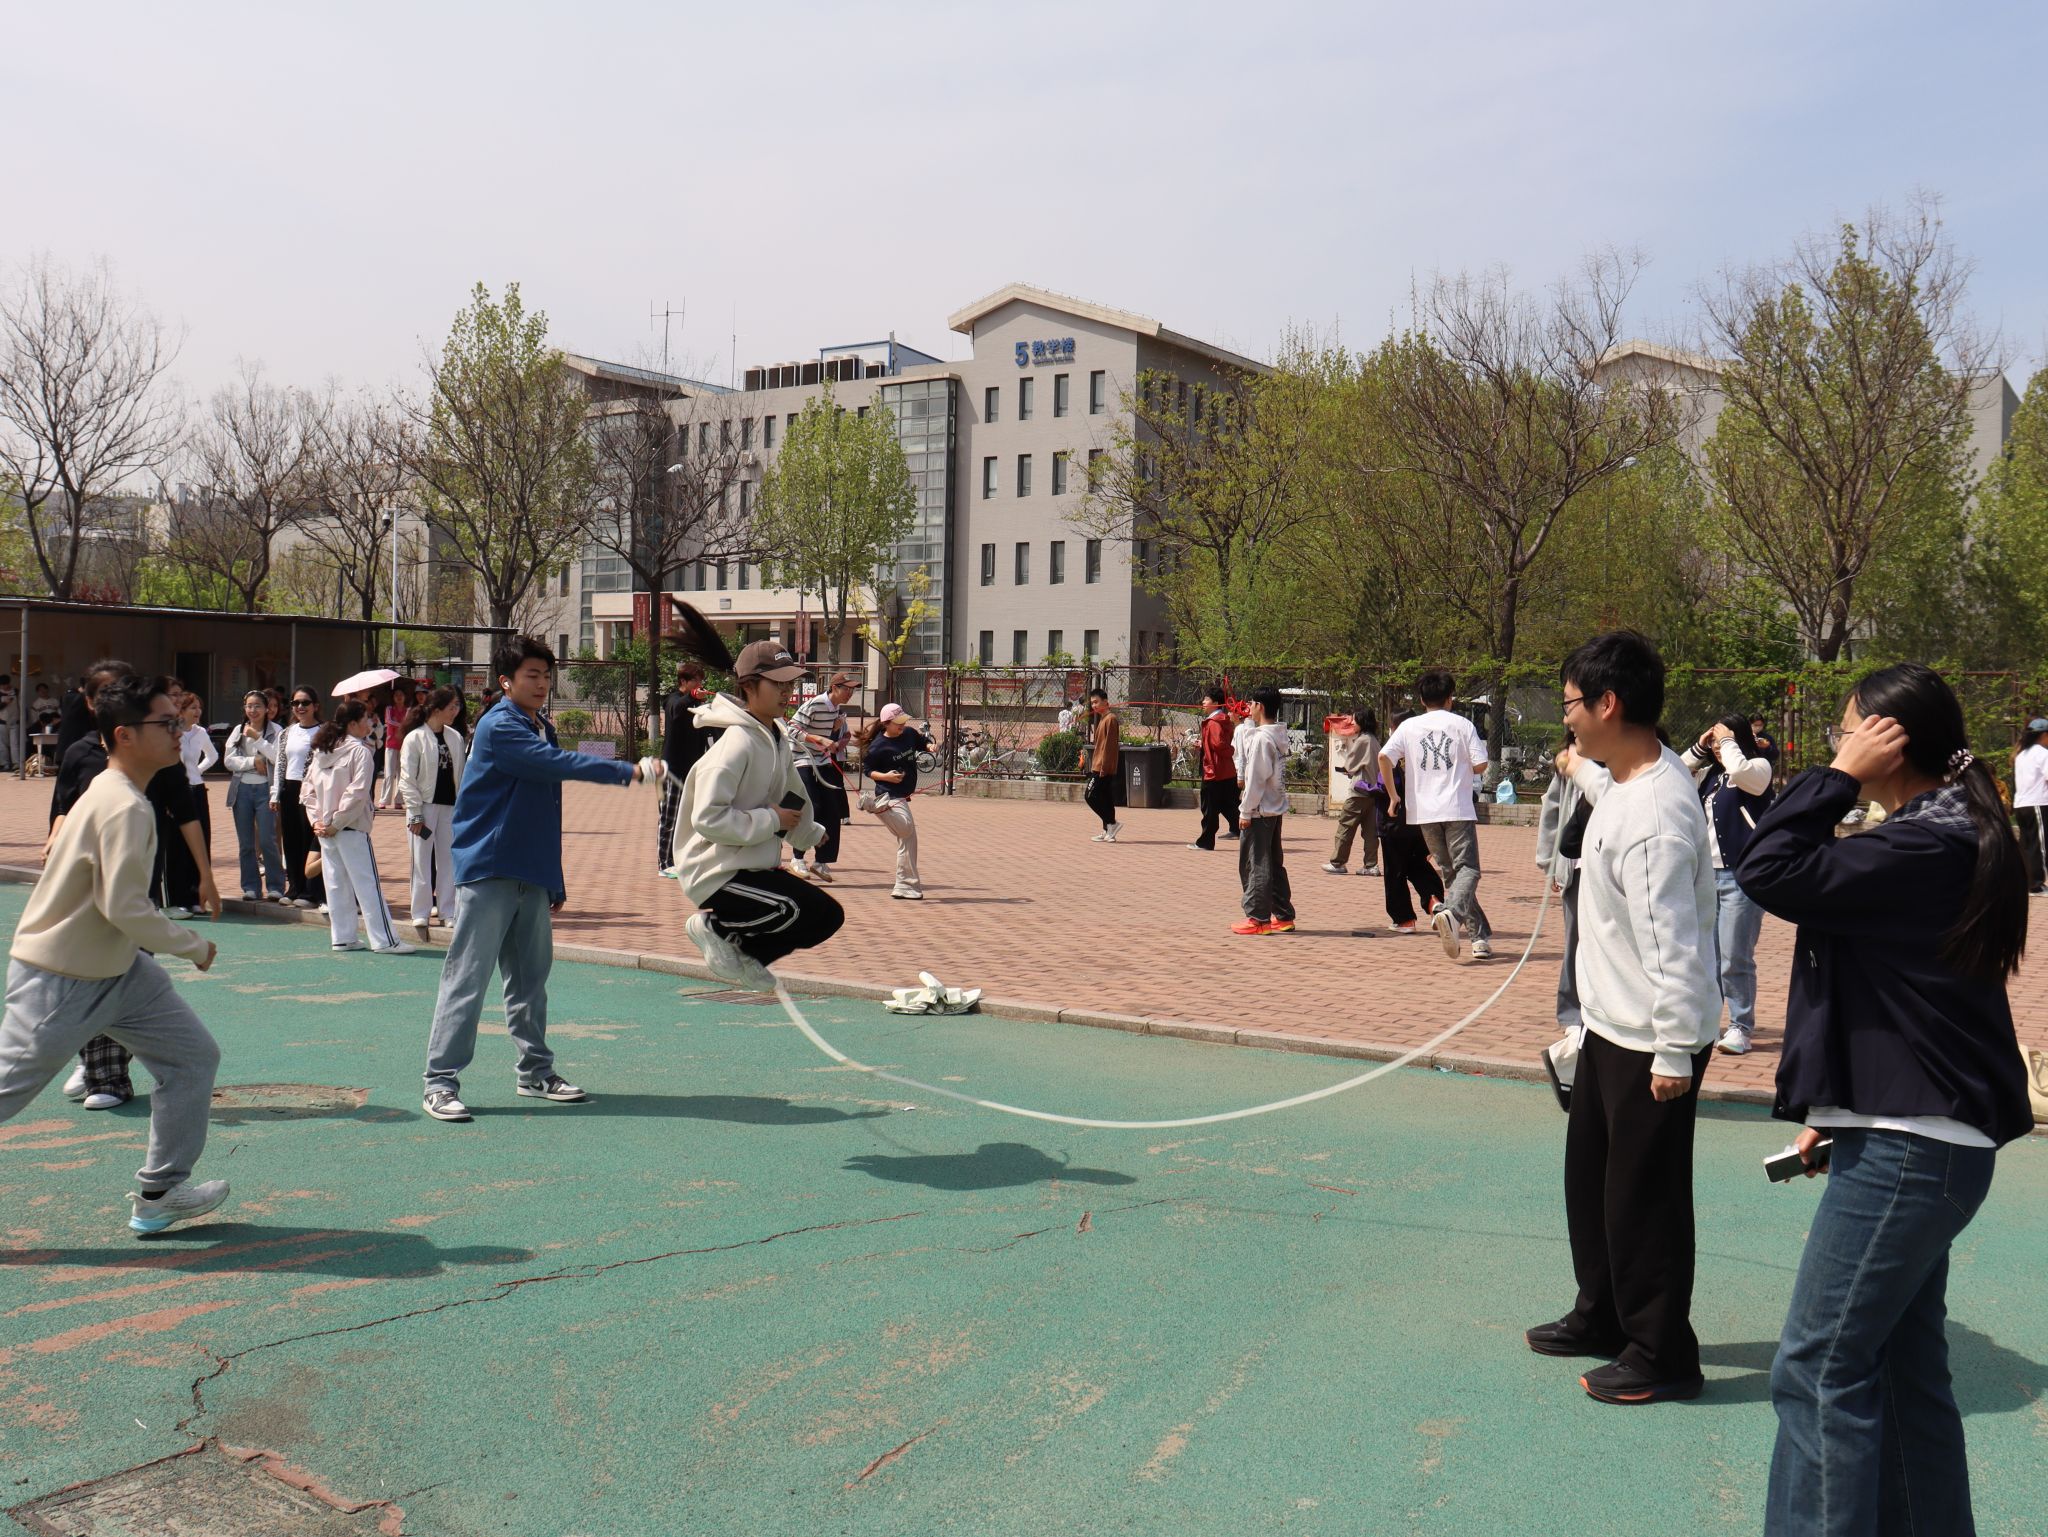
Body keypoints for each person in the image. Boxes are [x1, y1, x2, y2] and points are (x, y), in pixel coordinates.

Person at [1735, 663, 2033, 1536]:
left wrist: (1836, 777)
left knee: (1817, 1368)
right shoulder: (1939, 831)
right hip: (1912, 1135)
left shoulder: (1925, 843)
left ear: (1888, 741)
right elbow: (1900, 1002)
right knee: (1903, 1370)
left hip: (1911, 1147)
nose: (1839, 743)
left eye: (1848, 730)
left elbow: (1770, 868)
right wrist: (1839, 1113)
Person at [1525, 630, 1720, 1406]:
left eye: (1571, 703)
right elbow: (1612, 796)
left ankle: (1661, 1351)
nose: (1566, 717)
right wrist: (1579, 770)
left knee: (1646, 1199)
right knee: (1593, 1184)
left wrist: (1673, 1050)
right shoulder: (1629, 782)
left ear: (1608, 703)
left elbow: (1674, 943)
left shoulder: (1658, 814)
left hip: (1651, 1039)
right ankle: (1602, 1312)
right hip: (1609, 1027)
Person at [0, 672, 229, 1235]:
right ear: (123, 735)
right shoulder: (123, 804)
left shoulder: (122, 793)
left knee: (193, 1058)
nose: (180, 731)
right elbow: (124, 907)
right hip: (61, 976)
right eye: (166, 723)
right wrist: (193, 946)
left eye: (179, 720)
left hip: (119, 969)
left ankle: (160, 1192)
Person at [420, 637, 661, 1123]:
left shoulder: (540, 724)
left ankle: (535, 1072)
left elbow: (549, 805)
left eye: (547, 676)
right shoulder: (501, 726)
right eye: (532, 675)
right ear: (506, 682)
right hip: (489, 867)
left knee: (531, 981)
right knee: (467, 979)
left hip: (531, 870)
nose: (542, 684)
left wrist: (554, 879)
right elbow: (555, 764)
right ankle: (440, 1082)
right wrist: (626, 771)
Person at [675, 638, 845, 986]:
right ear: (750, 686)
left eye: (790, 684)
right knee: (790, 909)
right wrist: (772, 820)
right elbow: (707, 818)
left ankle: (751, 956)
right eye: (777, 683)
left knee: (828, 916)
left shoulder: (775, 737)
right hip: (715, 871)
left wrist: (809, 832)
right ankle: (713, 928)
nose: (786, 692)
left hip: (751, 864)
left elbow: (793, 796)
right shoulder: (736, 744)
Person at [1379, 670, 1493, 960]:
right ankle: (1451, 913)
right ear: (1450, 698)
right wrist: (1463, 765)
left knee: (1452, 874)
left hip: (1424, 812)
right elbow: (1481, 764)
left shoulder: (1409, 726)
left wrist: (1393, 795)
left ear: (1421, 699)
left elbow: (1383, 757)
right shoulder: (1462, 725)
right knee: (1469, 870)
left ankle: (1479, 937)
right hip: (1457, 808)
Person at [1682, 714, 1776, 1055]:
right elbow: (1674, 773)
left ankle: (1740, 1026)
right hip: (1707, 877)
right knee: (1708, 956)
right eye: (1716, 743)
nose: (1719, 748)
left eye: (1725, 741)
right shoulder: (1710, 776)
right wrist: (1699, 746)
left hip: (1740, 877)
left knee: (1735, 956)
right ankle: (1709, 1021)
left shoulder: (1758, 767)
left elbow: (1742, 771)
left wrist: (1729, 741)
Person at [304, 701, 413, 955]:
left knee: (336, 884)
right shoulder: (360, 752)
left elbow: (307, 791)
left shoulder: (323, 751)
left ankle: (343, 937)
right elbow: (357, 793)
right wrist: (335, 822)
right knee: (366, 884)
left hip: (326, 829)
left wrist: (318, 821)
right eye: (366, 718)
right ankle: (385, 940)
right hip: (348, 828)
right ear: (353, 724)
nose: (370, 723)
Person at [399, 686, 466, 935]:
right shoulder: (414, 738)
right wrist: (415, 813)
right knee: (421, 860)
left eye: (457, 706)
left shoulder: (455, 737)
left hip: (450, 808)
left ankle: (448, 911)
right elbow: (407, 779)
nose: (456, 711)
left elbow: (461, 776)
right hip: (423, 809)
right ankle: (420, 912)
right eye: (452, 707)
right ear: (436, 709)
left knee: (448, 860)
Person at [1229, 685, 1295, 935]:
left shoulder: (1262, 739)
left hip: (1259, 810)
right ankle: (1283, 915)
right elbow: (1250, 746)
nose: (1249, 707)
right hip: (1273, 808)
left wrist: (1245, 812)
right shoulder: (1275, 735)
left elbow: (1255, 778)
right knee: (1273, 864)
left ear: (1260, 706)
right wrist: (1247, 723)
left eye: (1252, 703)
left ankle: (1258, 919)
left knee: (1255, 864)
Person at [1535, 730, 1588, 1028]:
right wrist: (1552, 863)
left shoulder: (1617, 761)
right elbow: (1552, 812)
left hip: (1612, 868)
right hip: (1576, 868)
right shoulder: (1568, 766)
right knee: (1574, 941)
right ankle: (1572, 1015)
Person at [1374, 731, 1445, 935]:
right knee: (1417, 865)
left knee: (1395, 871)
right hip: (1422, 822)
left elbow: (1382, 777)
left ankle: (1404, 919)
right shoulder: (1427, 752)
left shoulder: (1392, 754)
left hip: (1395, 823)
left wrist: (1385, 794)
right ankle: (1434, 901)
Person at [789, 672, 856, 884]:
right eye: (847, 689)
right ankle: (797, 858)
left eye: (853, 690)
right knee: (812, 806)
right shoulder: (815, 704)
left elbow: (834, 737)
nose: (850, 693)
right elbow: (791, 729)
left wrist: (834, 736)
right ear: (834, 688)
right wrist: (819, 739)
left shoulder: (837, 709)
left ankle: (821, 861)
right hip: (801, 758)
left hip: (822, 760)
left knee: (833, 809)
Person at [857, 703, 928, 900]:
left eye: (903, 721)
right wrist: (886, 777)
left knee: (908, 837)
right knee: (907, 831)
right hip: (889, 794)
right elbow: (869, 771)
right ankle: (877, 808)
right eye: (898, 722)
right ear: (886, 723)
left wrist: (930, 746)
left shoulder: (909, 734)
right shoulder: (878, 746)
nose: (902, 725)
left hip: (901, 795)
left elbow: (922, 743)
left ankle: (904, 885)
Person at [223, 690, 288, 902]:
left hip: (266, 790)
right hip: (242, 789)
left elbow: (277, 758)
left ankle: (276, 886)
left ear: (267, 709)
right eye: (249, 706)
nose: (253, 710)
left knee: (268, 840)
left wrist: (257, 739)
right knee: (246, 843)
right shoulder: (238, 730)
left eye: (257, 706)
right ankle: (250, 887)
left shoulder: (276, 730)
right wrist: (253, 761)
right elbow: (228, 761)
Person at [269, 687, 327, 910]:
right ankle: (294, 887)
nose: (300, 707)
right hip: (289, 789)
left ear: (315, 706)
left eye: (305, 703)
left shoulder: (324, 731)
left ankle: (310, 892)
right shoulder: (286, 733)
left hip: (312, 791)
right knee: (291, 840)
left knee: (308, 839)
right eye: (295, 703)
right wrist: (276, 793)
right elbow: (280, 764)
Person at [657, 661, 716, 875]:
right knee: (669, 818)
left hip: (692, 771)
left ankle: (681, 860)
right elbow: (677, 710)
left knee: (688, 819)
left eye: (701, 681)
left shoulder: (697, 705)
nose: (700, 685)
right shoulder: (673, 700)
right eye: (696, 681)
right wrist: (692, 696)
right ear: (683, 681)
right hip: (672, 770)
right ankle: (664, 864)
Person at [1323, 707, 1382, 876]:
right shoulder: (1374, 741)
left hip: (1358, 792)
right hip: (1373, 793)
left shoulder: (1362, 740)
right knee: (1371, 832)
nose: (1352, 723)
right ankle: (1371, 865)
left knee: (1345, 827)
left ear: (1362, 722)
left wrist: (1348, 770)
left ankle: (1337, 863)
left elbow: (1350, 765)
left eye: (1355, 720)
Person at [176, 691, 218, 901]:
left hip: (197, 789)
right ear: (181, 711)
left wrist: (196, 771)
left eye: (199, 707)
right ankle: (181, 894)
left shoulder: (200, 732)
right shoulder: (171, 731)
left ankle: (198, 894)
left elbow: (213, 756)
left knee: (201, 839)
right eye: (193, 707)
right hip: (178, 790)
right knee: (180, 844)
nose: (198, 711)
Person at [1188, 683, 1241, 852]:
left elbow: (1219, 744)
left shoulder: (1213, 722)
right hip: (1226, 771)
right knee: (1228, 805)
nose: (1203, 702)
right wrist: (1204, 744)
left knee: (1209, 808)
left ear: (1216, 703)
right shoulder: (1224, 720)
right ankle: (1246, 832)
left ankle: (1205, 842)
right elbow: (1219, 743)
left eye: (1206, 699)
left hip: (1214, 772)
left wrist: (1230, 750)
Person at [2011, 716, 2048, 896]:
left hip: (2021, 804)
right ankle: (2037, 885)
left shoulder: (2021, 755)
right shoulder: (2042, 753)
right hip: (2037, 803)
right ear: (2044, 735)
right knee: (2039, 845)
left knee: (2026, 844)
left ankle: (2024, 881)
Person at [1081, 688, 1122, 842]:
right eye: (1092, 703)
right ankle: (1108, 830)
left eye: (1096, 702)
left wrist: (1104, 767)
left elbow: (1109, 747)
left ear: (1105, 701)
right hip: (1100, 766)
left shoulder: (1110, 719)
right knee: (1106, 797)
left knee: (1090, 796)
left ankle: (1112, 823)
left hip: (1102, 767)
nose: (1094, 705)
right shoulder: (1104, 719)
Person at [378, 682, 413, 809]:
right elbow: (389, 721)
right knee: (389, 773)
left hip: (403, 745)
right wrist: (402, 725)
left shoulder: (408, 710)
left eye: (401, 695)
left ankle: (399, 800)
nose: (399, 697)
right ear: (393, 697)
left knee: (401, 773)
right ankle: (384, 799)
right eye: (396, 695)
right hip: (391, 744)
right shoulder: (389, 709)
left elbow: (406, 722)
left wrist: (399, 725)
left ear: (405, 697)